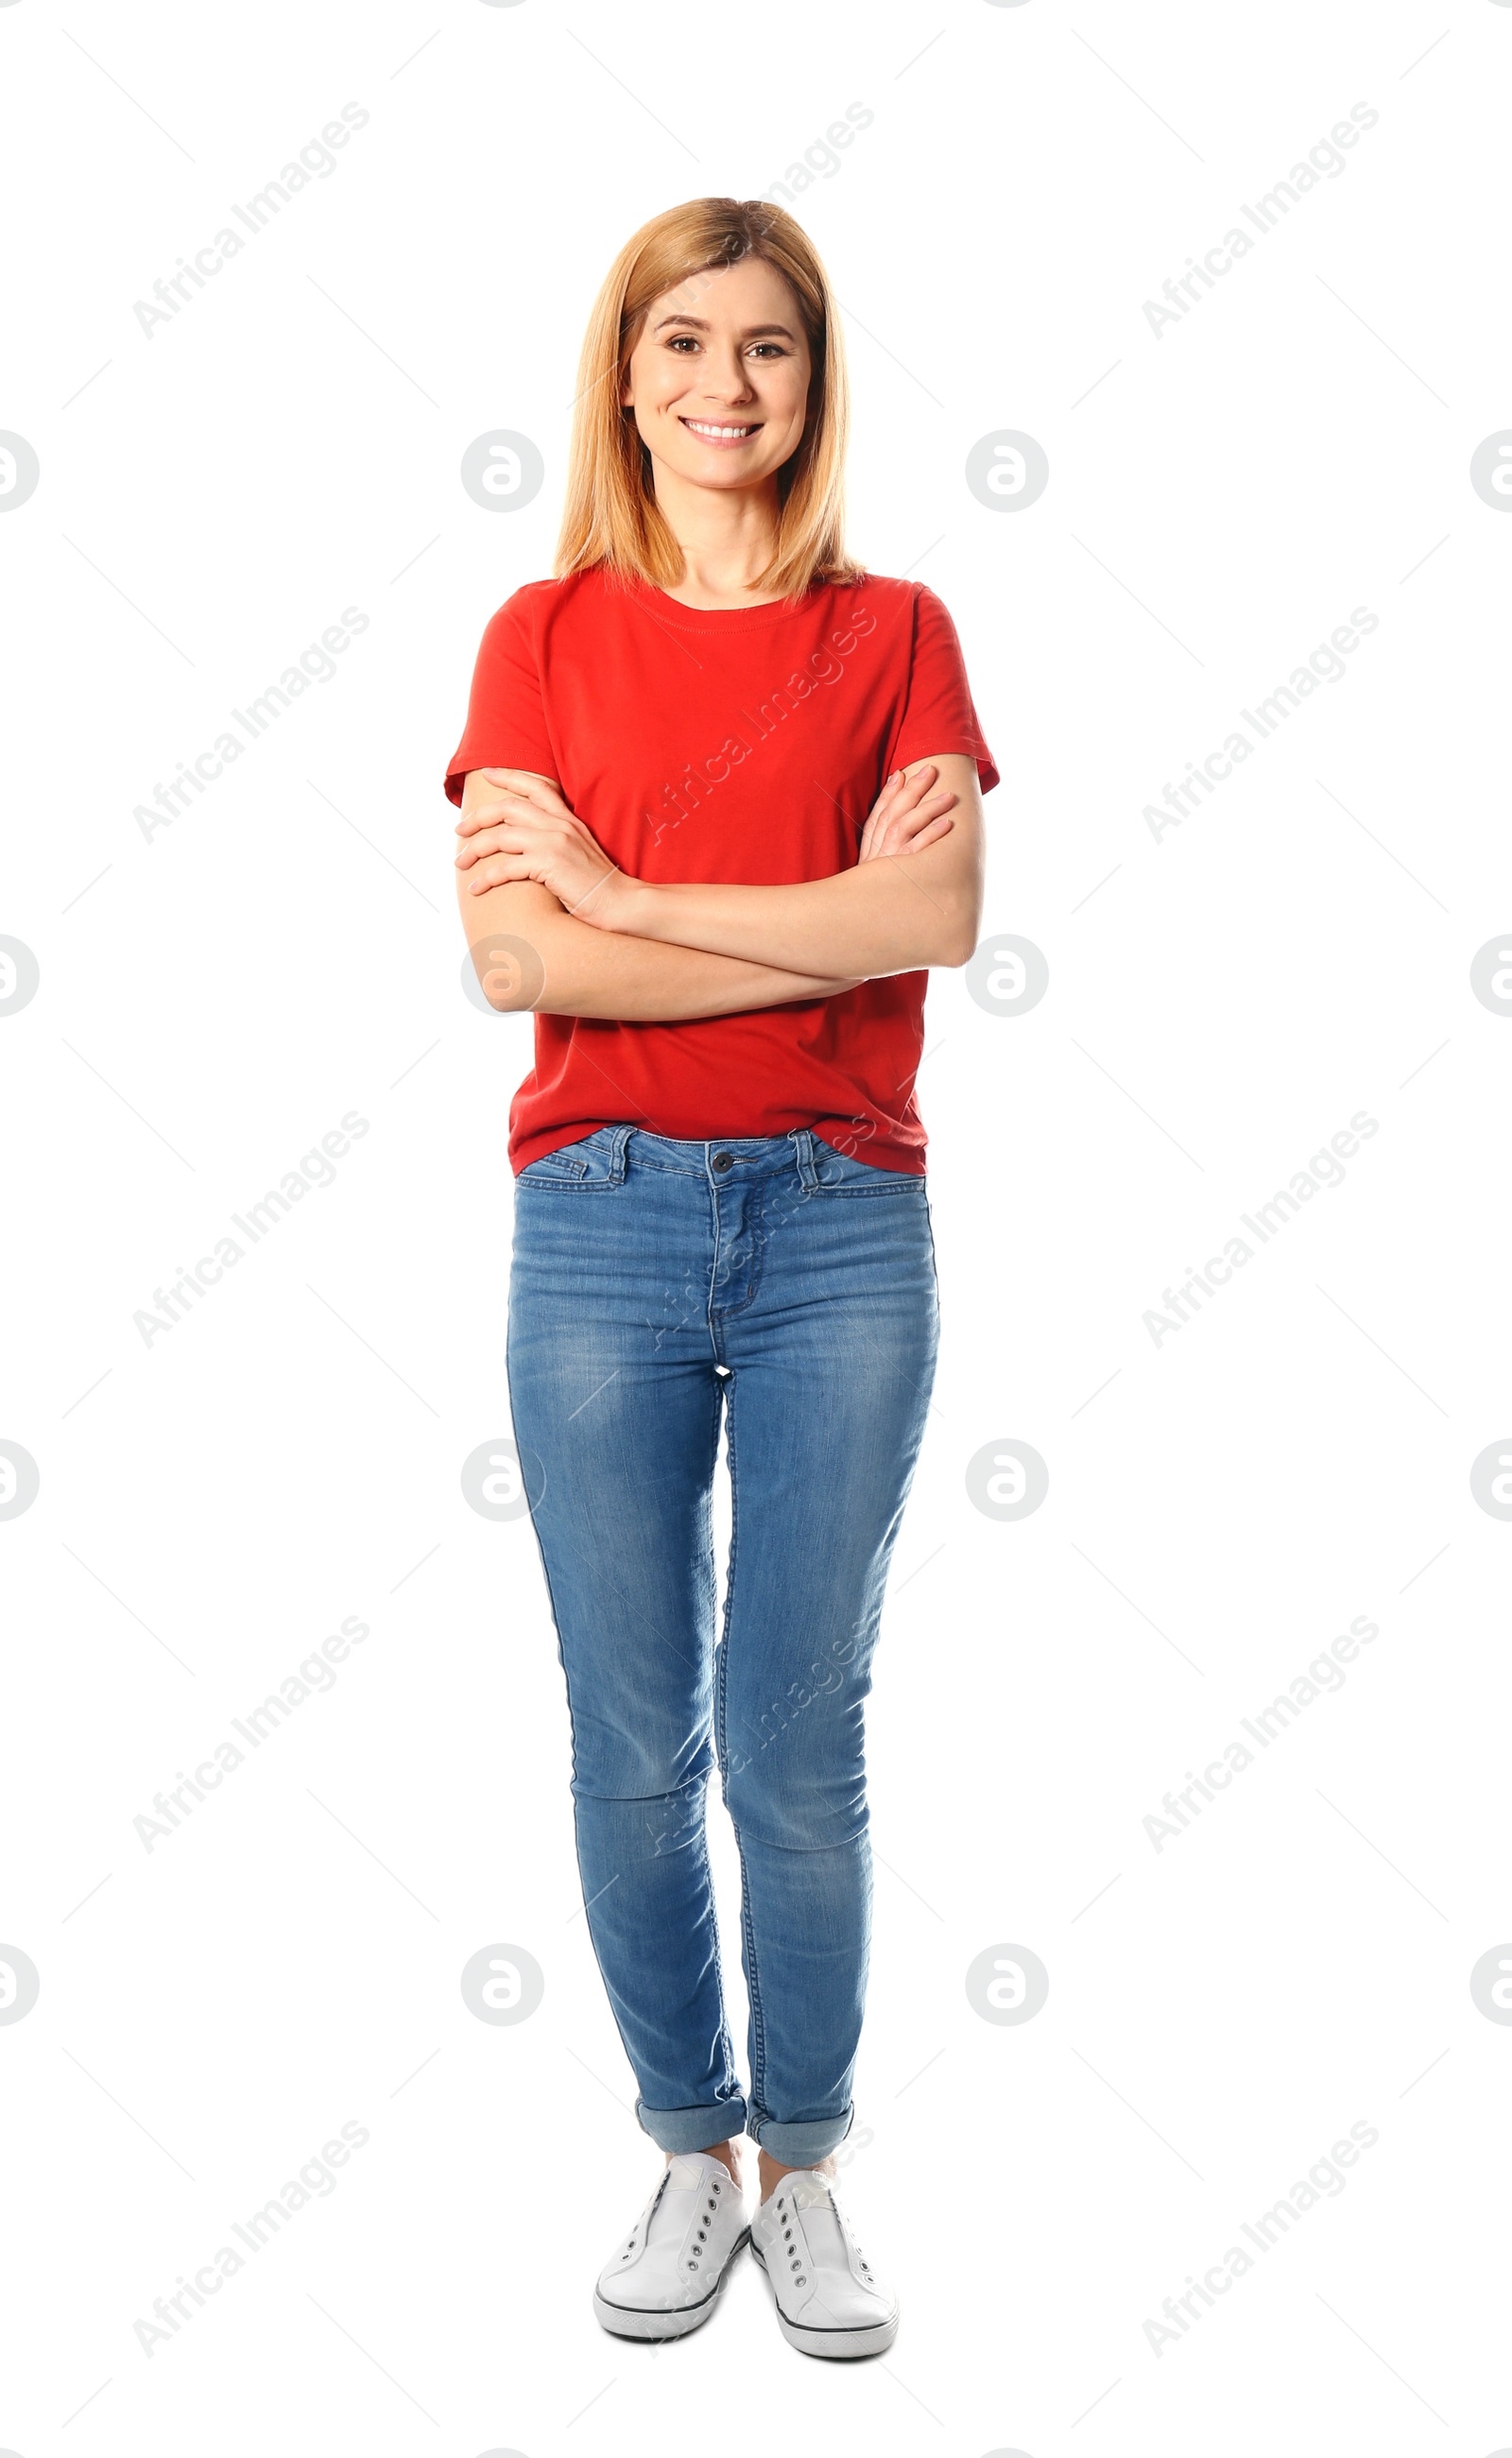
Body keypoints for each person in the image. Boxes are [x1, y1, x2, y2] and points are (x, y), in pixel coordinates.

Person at [446, 196, 997, 2359]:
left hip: (839, 1222)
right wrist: (812, 905)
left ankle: (806, 2167)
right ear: (623, 373)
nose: (721, 387)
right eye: (682, 343)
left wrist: (633, 881)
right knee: (624, 1735)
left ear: (811, 376)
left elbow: (935, 925)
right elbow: (518, 958)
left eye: (764, 347)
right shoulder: (536, 632)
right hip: (594, 1212)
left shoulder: (897, 633)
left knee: (795, 1738)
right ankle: (687, 2138)